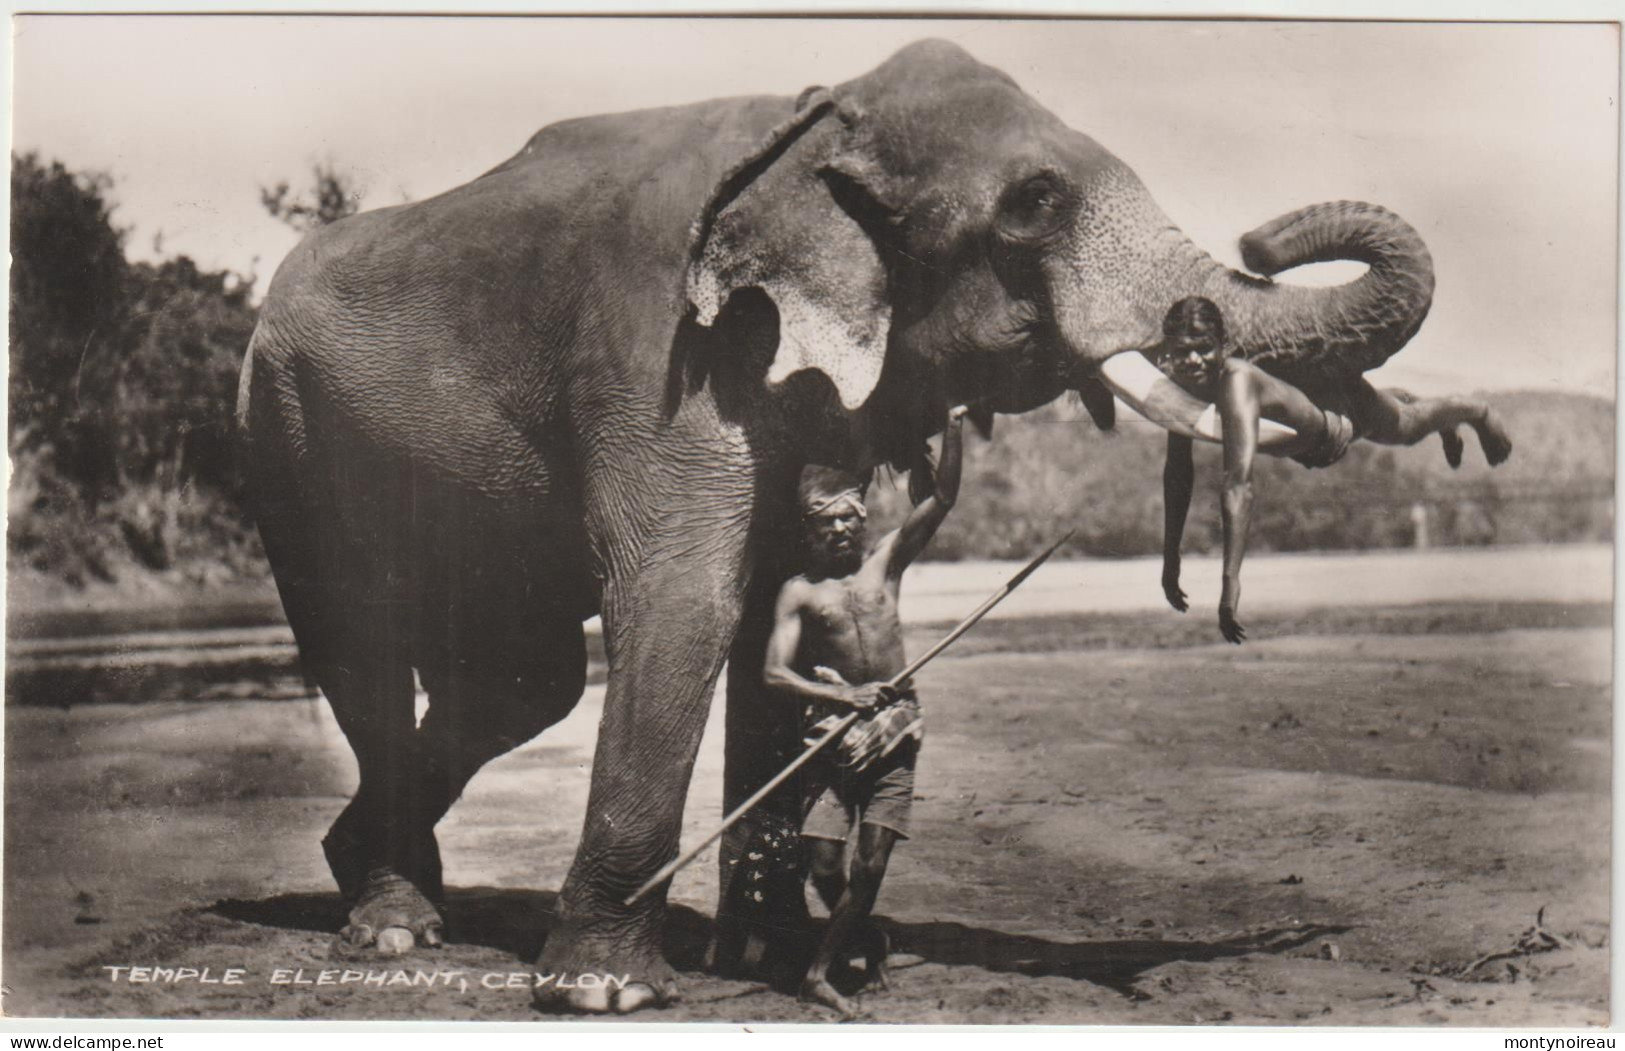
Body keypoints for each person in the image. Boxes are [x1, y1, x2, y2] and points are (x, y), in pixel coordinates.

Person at [761, 406, 968, 1018]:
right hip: (833, 738)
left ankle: (820, 974)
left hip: (895, 732)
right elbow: (773, 674)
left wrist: (953, 426)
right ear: (809, 532)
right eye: (833, 527)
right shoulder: (799, 593)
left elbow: (944, 498)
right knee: (825, 865)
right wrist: (840, 697)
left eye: (855, 520)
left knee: (869, 863)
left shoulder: (886, 563)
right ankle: (867, 936)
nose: (848, 533)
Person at [1153, 296, 1512, 643]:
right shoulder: (1179, 387)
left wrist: (1230, 588)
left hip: (1339, 419)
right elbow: (1178, 472)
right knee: (1393, 410)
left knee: (1407, 427)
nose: (1194, 360)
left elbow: (1238, 485)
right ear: (1169, 351)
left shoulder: (1236, 381)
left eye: (1204, 348)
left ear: (1223, 345)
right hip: (1314, 409)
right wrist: (1171, 561)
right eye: (1183, 351)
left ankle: (1476, 412)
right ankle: (1434, 415)